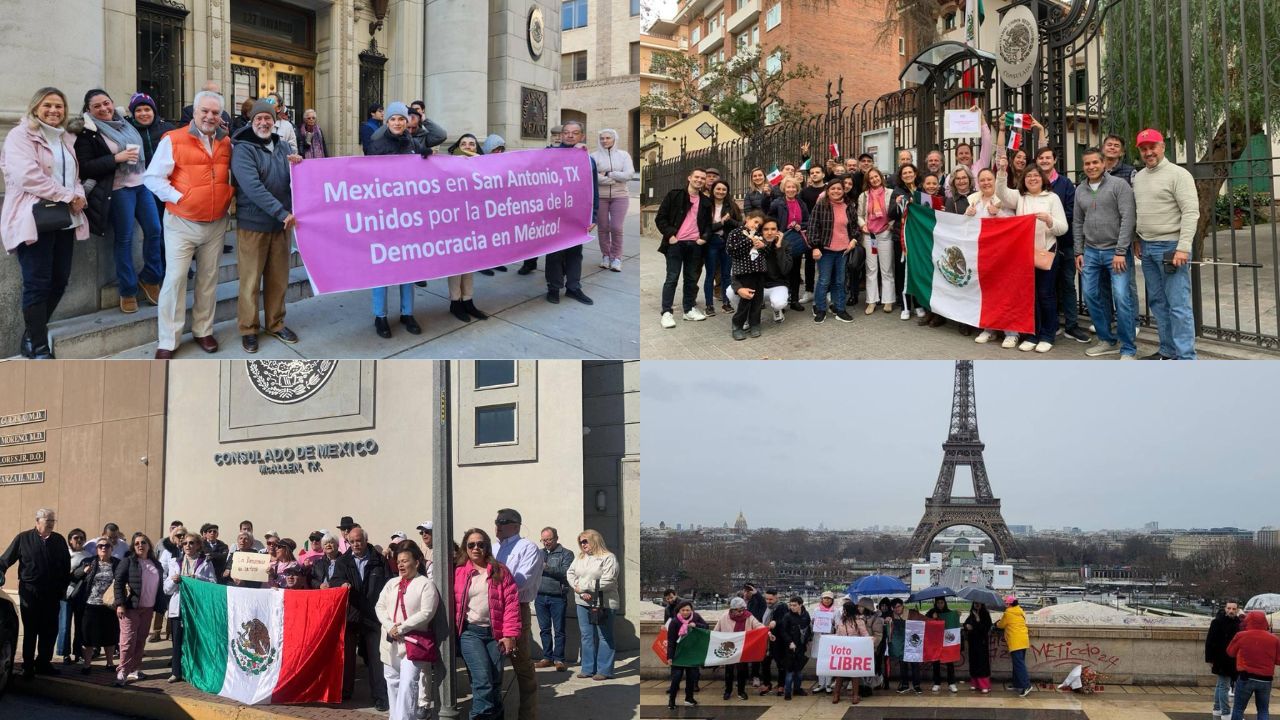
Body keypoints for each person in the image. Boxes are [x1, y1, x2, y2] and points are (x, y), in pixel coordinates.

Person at [143, 89, 234, 358]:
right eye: (204, 111)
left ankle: (203, 330)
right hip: (181, 222)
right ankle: (168, 340)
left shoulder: (226, 142)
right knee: (174, 280)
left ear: (221, 116)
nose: (209, 116)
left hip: (216, 223)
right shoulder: (173, 139)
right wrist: (181, 197)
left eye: (215, 112)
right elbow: (152, 178)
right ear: (194, 112)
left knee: (208, 279)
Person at [2, 88, 89, 359]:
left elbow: (73, 176)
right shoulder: (20, 136)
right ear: (35, 107)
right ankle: (37, 345)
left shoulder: (65, 138)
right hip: (34, 219)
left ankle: (31, 334)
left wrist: (79, 195)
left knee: (60, 280)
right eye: (48, 105)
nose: (54, 111)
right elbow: (27, 177)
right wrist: (68, 196)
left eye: (59, 106)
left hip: (62, 220)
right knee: (37, 283)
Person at [74, 89, 160, 313]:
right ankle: (128, 289)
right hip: (119, 189)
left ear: (112, 103)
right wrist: (115, 159)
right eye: (96, 107)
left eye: (106, 103)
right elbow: (84, 166)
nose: (103, 109)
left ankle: (150, 277)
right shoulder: (88, 132)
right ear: (88, 110)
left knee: (154, 230)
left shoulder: (125, 123)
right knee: (124, 239)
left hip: (141, 185)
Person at [230, 98, 302, 353]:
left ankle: (275, 322)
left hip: (281, 226)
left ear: (275, 122)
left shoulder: (282, 146)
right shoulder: (243, 148)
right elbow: (252, 187)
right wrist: (280, 211)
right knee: (250, 282)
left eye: (268, 119)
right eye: (259, 118)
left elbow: (290, 179)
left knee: (278, 279)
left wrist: (298, 166)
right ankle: (249, 328)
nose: (263, 122)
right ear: (252, 121)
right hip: (254, 225)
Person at [1134, 128, 1200, 360]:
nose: (1148, 152)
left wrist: (1183, 247)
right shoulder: (1139, 177)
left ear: (1163, 147)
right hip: (1148, 248)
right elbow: (1139, 211)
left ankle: (1185, 358)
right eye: (1144, 149)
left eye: (1152, 147)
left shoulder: (1178, 175)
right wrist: (1137, 239)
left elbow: (1191, 212)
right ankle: (1167, 351)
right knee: (1158, 303)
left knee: (1178, 305)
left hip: (1171, 248)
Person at [365, 102, 427, 340]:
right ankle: (380, 316)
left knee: (408, 266)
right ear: (387, 122)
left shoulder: (410, 143)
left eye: (402, 118)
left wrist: (426, 155)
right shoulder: (376, 145)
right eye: (393, 119)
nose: (398, 123)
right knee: (382, 267)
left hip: (407, 215)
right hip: (384, 216)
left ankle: (407, 313)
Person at [996, 155, 1068, 353]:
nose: (1032, 179)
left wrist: (1049, 220)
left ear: (1042, 178)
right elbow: (1000, 192)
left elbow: (1063, 228)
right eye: (1028, 176)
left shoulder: (1052, 198)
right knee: (1030, 296)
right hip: (1024, 255)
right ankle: (1032, 334)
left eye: (1036, 175)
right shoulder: (1020, 197)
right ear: (1023, 180)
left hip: (1046, 253)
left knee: (1046, 295)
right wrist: (1002, 171)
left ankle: (1047, 335)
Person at [1073, 147, 1138, 359]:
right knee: (1091, 295)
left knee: (1121, 297)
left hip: (1116, 253)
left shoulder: (1119, 185)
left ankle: (1128, 347)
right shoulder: (1080, 190)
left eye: (1095, 163)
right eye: (1087, 163)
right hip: (1091, 252)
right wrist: (1078, 251)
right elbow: (1077, 221)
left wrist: (1121, 251)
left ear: (1103, 164)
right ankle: (1106, 340)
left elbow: (1128, 218)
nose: (1091, 167)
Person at [454, 528, 521, 720]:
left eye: (481, 544)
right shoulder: (458, 572)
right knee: (482, 680)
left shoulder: (500, 571)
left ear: (487, 547)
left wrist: (509, 635)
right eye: (471, 544)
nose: (476, 548)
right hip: (470, 633)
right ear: (465, 547)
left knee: (495, 681)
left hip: (496, 634)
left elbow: (511, 605)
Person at [0, 508, 70, 679]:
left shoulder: (59, 540)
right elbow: (5, 560)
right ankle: (28, 666)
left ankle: (43, 663)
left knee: (49, 630)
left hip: (52, 594)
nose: (52, 524)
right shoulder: (23, 538)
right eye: (48, 520)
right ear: (38, 521)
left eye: (53, 521)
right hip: (30, 593)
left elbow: (66, 565)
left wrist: (62, 588)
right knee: (31, 630)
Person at [376, 543, 441, 720]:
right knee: (393, 683)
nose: (401, 565)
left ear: (417, 562)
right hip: (390, 642)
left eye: (405, 561)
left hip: (413, 643)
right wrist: (390, 626)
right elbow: (380, 606)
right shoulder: (391, 583)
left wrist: (402, 627)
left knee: (407, 686)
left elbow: (426, 613)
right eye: (399, 562)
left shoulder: (426, 585)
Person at [493, 509, 545, 718]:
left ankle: (528, 715)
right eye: (496, 521)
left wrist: (494, 586)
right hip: (492, 608)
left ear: (516, 525)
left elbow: (522, 581)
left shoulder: (528, 547)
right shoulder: (493, 548)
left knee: (522, 665)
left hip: (517, 608)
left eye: (503, 521)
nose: (498, 525)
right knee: (492, 664)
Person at [333, 527, 390, 710]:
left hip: (373, 617)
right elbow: (335, 580)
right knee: (347, 657)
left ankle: (380, 696)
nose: (356, 544)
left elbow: (389, 584)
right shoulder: (343, 561)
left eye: (359, 541)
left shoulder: (379, 560)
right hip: (351, 616)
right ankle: (346, 691)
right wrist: (341, 584)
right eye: (352, 541)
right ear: (348, 542)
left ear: (366, 540)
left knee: (376, 658)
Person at [544, 120, 598, 305]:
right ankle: (553, 288)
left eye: (575, 133)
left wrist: (594, 216)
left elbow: (593, 189)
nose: (569, 135)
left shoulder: (587, 159)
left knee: (575, 252)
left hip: (577, 215)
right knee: (554, 253)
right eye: (566, 132)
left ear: (581, 136)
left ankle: (573, 287)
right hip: (554, 214)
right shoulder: (549, 155)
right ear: (561, 135)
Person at [443, 133, 491, 321]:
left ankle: (468, 300)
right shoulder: (448, 166)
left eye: (472, 144)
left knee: (470, 264)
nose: (468, 146)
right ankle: (455, 302)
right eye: (463, 143)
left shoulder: (482, 166)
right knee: (456, 265)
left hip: (474, 222)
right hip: (454, 222)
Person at [654, 167, 709, 328]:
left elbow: (707, 225)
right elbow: (661, 218)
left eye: (702, 178)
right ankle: (666, 312)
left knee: (691, 279)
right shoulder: (675, 195)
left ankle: (688, 309)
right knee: (672, 278)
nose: (699, 180)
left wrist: (703, 238)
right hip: (676, 244)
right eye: (697, 177)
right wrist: (671, 236)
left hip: (695, 245)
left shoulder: (705, 202)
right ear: (689, 177)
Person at [161, 530, 214, 683]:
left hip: (196, 608)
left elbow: (213, 583)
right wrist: (174, 580)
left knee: (195, 641)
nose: (188, 545)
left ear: (198, 545)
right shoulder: (175, 562)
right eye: (185, 543)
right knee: (177, 640)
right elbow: (166, 589)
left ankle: (195, 672)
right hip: (178, 606)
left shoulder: (206, 562)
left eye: (192, 543)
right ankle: (176, 672)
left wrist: (196, 578)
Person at [567, 529, 619, 681]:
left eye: (585, 541)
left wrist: (583, 586)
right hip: (583, 602)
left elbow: (608, 581)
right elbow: (570, 574)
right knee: (586, 636)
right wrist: (580, 591)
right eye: (581, 542)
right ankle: (588, 668)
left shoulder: (608, 557)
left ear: (595, 540)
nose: (583, 544)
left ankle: (604, 670)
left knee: (604, 636)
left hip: (604, 603)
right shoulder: (580, 558)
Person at [111, 532, 162, 686]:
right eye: (137, 543)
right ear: (133, 546)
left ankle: (134, 669)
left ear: (149, 546)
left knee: (140, 640)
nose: (140, 545)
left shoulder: (155, 564)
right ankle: (123, 672)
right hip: (130, 608)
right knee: (127, 641)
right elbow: (118, 583)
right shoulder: (128, 562)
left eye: (143, 542)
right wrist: (120, 604)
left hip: (148, 608)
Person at [73, 537, 120, 675]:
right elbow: (74, 576)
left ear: (112, 549)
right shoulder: (89, 561)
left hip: (109, 606)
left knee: (110, 636)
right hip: (90, 604)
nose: (103, 548)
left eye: (107, 546)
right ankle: (87, 665)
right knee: (88, 637)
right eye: (100, 546)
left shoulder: (117, 563)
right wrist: (83, 571)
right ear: (96, 549)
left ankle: (110, 663)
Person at [1226, 610, 1279, 720]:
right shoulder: (1274, 639)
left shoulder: (1241, 635)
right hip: (1265, 679)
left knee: (1238, 709)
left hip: (1246, 677)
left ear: (1248, 621)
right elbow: (1278, 660)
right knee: (1263, 710)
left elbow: (1230, 652)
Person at [856, 167, 896, 316]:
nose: (874, 179)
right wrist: (862, 225)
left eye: (876, 176)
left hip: (885, 234)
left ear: (880, 177)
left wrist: (890, 227)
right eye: (871, 178)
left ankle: (888, 300)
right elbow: (859, 215)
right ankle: (871, 301)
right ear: (868, 181)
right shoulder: (863, 196)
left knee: (887, 269)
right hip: (869, 236)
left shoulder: (890, 193)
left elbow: (894, 213)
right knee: (871, 269)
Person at [592, 128, 632, 272]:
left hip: (620, 196)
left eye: (608, 138)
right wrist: (611, 179)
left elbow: (628, 175)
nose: (605, 141)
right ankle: (606, 256)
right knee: (603, 228)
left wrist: (608, 173)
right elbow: (592, 177)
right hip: (600, 197)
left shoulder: (623, 155)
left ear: (614, 139)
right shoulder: (594, 157)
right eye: (602, 138)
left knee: (616, 227)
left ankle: (616, 258)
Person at [724, 211, 769, 339]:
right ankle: (737, 324)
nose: (756, 226)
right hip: (744, 272)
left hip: (759, 271)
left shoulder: (760, 234)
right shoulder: (736, 233)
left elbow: (766, 252)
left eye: (759, 224)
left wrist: (763, 246)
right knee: (746, 300)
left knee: (757, 301)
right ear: (747, 219)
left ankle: (755, 323)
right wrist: (750, 241)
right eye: (755, 222)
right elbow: (731, 250)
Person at [770, 177, 812, 311]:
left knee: (795, 271)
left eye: (794, 187)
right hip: (782, 241)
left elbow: (807, 220)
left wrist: (800, 226)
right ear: (784, 188)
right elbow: (770, 220)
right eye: (788, 187)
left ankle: (794, 300)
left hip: (797, 241)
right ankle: (782, 300)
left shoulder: (801, 203)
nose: (791, 189)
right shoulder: (777, 203)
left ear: (797, 189)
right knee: (783, 271)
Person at [700, 180, 741, 318]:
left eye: (724, 189)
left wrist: (729, 221)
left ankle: (726, 302)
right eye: (718, 189)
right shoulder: (706, 205)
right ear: (713, 190)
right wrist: (721, 222)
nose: (721, 192)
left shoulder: (731, 206)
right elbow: (704, 227)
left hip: (726, 243)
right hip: (711, 243)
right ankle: (709, 305)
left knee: (726, 275)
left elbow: (739, 225)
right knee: (710, 274)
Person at [535, 527, 573, 672]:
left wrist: (546, 567)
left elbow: (566, 573)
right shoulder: (538, 553)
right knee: (544, 629)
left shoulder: (566, 554)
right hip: (539, 596)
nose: (546, 543)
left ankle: (559, 659)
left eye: (549, 539)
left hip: (558, 597)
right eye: (543, 540)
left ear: (556, 538)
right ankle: (547, 658)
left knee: (559, 630)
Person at [715, 596, 763, 701]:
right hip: (728, 648)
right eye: (737, 610)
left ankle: (741, 691)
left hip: (742, 648)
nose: (740, 613)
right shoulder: (724, 617)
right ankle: (728, 690)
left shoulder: (749, 617)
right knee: (729, 671)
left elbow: (758, 626)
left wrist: (767, 632)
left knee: (742, 671)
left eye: (742, 610)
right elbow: (716, 631)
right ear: (732, 609)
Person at [663, 600, 707, 708]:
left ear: (691, 610)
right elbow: (671, 641)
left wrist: (695, 625)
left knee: (691, 677)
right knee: (676, 678)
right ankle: (671, 700)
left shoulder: (696, 617)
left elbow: (706, 626)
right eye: (683, 610)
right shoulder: (674, 622)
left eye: (688, 610)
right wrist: (670, 656)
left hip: (692, 653)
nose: (686, 612)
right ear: (679, 610)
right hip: (678, 653)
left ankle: (689, 698)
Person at [1206, 600, 1242, 718]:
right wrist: (1209, 659)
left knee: (1221, 684)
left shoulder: (1239, 623)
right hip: (1220, 658)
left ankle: (1217, 708)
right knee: (1224, 685)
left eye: (1233, 609)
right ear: (1225, 609)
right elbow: (1209, 641)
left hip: (1231, 659)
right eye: (1229, 608)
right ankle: (1225, 712)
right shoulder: (1217, 622)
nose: (1231, 611)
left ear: (1237, 610)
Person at [58, 528, 90, 664]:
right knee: (64, 625)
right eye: (76, 538)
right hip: (65, 595)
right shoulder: (63, 554)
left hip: (81, 594)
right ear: (70, 540)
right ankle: (65, 653)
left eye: (82, 538)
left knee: (80, 625)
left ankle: (79, 653)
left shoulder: (88, 555)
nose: (79, 540)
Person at [831, 599, 869, 704]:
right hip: (848, 650)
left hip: (849, 650)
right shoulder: (850, 621)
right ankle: (844, 695)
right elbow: (864, 635)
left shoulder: (852, 622)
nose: (843, 612)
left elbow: (864, 635)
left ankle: (844, 695)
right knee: (845, 674)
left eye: (845, 610)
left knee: (848, 673)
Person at [997, 595, 1032, 696]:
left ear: (1009, 604)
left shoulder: (1008, 613)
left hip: (1015, 641)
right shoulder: (1020, 611)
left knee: (1019, 664)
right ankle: (1017, 684)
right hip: (1024, 640)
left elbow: (1001, 625)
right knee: (1018, 663)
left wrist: (997, 624)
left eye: (1006, 603)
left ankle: (1026, 685)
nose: (1005, 605)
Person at [777, 596, 811, 700]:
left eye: (794, 605)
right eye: (790, 605)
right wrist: (790, 642)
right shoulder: (787, 616)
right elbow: (783, 631)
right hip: (790, 648)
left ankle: (797, 689)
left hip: (801, 647)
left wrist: (807, 640)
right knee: (790, 672)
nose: (792, 607)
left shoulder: (806, 615)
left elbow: (807, 629)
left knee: (799, 672)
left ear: (800, 605)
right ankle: (787, 693)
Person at [925, 597, 959, 693]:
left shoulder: (949, 612)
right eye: (938, 603)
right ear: (935, 603)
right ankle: (937, 683)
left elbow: (953, 622)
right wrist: (932, 618)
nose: (940, 604)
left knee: (950, 662)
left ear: (945, 603)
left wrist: (957, 615)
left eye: (942, 602)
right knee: (936, 663)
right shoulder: (931, 612)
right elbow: (925, 623)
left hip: (947, 642)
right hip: (935, 642)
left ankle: (951, 683)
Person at [808, 591, 839, 693]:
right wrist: (813, 623)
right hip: (819, 638)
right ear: (822, 599)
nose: (827, 600)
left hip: (830, 638)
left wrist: (833, 623)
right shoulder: (816, 610)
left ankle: (828, 684)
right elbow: (812, 625)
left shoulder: (835, 611)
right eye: (825, 598)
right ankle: (821, 683)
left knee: (830, 661)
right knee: (820, 661)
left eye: (829, 598)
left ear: (832, 600)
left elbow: (838, 626)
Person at [759, 589, 786, 695]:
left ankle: (781, 685)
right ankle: (767, 684)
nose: (768, 601)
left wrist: (776, 622)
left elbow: (784, 620)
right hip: (766, 639)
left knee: (780, 664)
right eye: (766, 599)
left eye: (771, 599)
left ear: (776, 597)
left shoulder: (781, 607)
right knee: (765, 663)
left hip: (778, 640)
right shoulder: (765, 608)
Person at [964, 602, 993, 693]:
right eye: (975, 603)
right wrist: (966, 626)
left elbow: (986, 629)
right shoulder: (972, 613)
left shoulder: (986, 614)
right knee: (973, 662)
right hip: (973, 642)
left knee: (982, 663)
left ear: (982, 604)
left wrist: (978, 620)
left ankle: (984, 685)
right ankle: (974, 683)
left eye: (978, 603)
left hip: (982, 643)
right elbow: (966, 623)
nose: (976, 605)